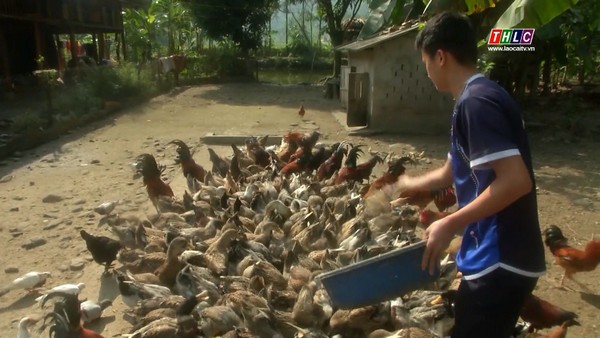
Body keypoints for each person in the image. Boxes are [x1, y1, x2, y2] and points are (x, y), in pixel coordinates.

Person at [399, 11, 546, 338]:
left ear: (440, 57)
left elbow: (516, 180)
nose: (426, 71)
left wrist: (450, 223)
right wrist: (408, 184)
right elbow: (453, 170)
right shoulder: (475, 98)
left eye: (425, 62)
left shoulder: (477, 103)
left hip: (501, 256)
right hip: (498, 254)